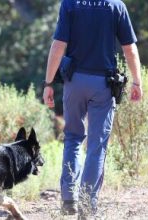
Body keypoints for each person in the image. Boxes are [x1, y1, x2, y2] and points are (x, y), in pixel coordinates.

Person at [42, 0, 142, 217]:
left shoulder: (70, 4)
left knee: (73, 138)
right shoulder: (116, 6)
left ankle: (69, 199)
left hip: (74, 81)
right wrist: (137, 82)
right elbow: (129, 49)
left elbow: (59, 45)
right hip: (103, 85)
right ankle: (87, 206)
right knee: (96, 146)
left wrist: (49, 82)